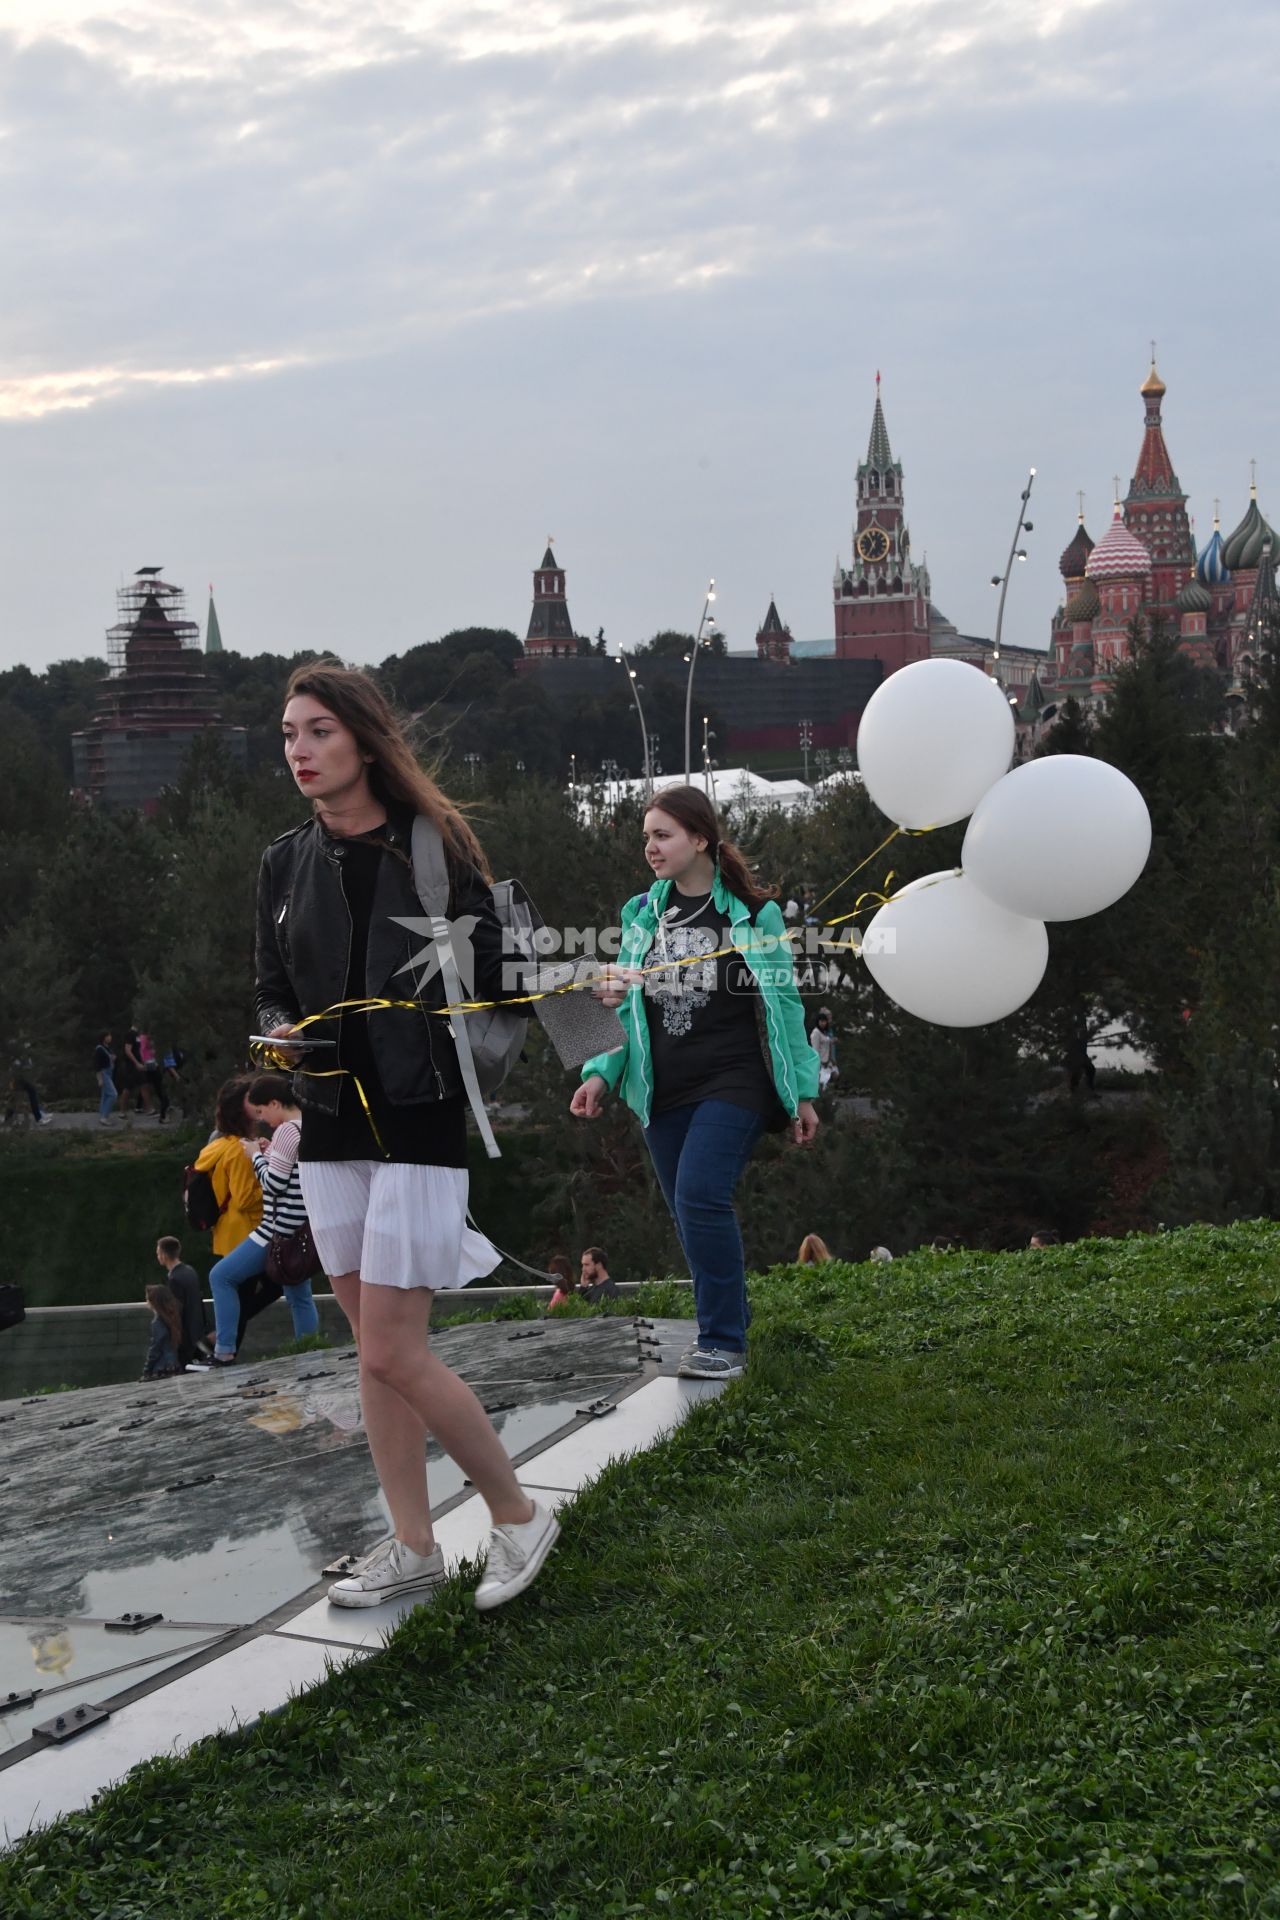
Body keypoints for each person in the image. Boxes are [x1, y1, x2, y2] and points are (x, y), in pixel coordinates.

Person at [254, 658, 559, 1613]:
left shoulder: (431, 846)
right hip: (331, 1121)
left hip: (420, 1115)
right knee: (371, 1352)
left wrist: (577, 990)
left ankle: (518, 1514)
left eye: (318, 733)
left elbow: (506, 976)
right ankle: (413, 1543)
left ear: (362, 739)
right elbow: (270, 979)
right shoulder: (281, 860)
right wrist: (278, 1027)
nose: (301, 752)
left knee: (392, 1351)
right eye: (290, 736)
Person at [572, 783, 820, 1381]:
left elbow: (785, 1006)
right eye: (646, 838)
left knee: (700, 1195)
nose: (651, 849)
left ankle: (723, 1342)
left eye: (663, 835)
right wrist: (598, 1075)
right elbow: (619, 1004)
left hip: (736, 1080)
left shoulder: (751, 915)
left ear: (700, 839)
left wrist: (804, 1093)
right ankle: (731, 1315)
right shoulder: (641, 914)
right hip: (663, 1089)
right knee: (689, 1212)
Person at [206, 1074, 319, 1364]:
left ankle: (224, 1351)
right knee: (299, 1296)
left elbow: (273, 1185)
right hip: (302, 1229)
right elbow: (294, 1177)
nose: (262, 1119)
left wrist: (255, 1155)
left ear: (274, 1103)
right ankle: (310, 1353)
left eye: (261, 1111)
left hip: (276, 1229)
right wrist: (270, 1155)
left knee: (221, 1276)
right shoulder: (312, 1125)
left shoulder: (287, 1131)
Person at [155, 1236, 211, 1366]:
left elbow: (176, 1313)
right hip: (198, 1333)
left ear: (163, 1255)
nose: (158, 1256)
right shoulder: (190, 1271)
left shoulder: (175, 1279)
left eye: (158, 1253)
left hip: (186, 1340)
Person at [142, 1283, 183, 1379]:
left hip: (161, 1368)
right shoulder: (172, 1319)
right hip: (173, 1365)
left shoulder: (157, 1322)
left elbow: (155, 1349)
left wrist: (147, 1369)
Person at [808, 1009, 839, 1092]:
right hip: (822, 1062)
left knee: (832, 1076)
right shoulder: (816, 1033)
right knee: (823, 1082)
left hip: (828, 1060)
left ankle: (827, 1098)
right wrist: (819, 1063)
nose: (824, 1023)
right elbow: (815, 1049)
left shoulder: (826, 1031)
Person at [94, 1032, 118, 1126]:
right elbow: (97, 1065)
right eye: (108, 1036)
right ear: (104, 1037)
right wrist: (99, 1078)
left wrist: (113, 1058)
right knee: (113, 1094)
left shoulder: (107, 1048)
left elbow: (108, 1059)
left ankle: (102, 1114)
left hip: (109, 1072)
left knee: (106, 1094)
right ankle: (104, 1117)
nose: (110, 1037)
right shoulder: (99, 1049)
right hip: (104, 1073)